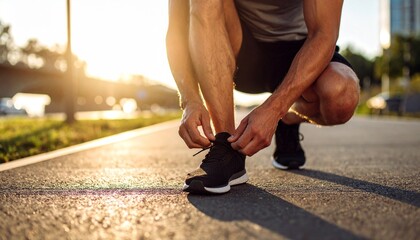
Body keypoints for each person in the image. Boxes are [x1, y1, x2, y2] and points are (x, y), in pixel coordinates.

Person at [166, 0, 360, 194]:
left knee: (342, 96)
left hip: (302, 50)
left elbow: (323, 34)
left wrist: (275, 110)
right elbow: (176, 29)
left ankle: (288, 119)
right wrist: (190, 99)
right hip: (241, 50)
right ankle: (227, 147)